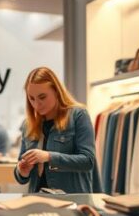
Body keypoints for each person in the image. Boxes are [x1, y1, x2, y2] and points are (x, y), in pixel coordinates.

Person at [14, 66, 99, 194]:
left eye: (42, 97)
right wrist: (22, 172)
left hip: (72, 199)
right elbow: (21, 172)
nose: (36, 104)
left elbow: (88, 161)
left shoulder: (78, 116)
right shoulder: (28, 125)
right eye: (31, 98)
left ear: (56, 91)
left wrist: (49, 157)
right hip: (36, 199)